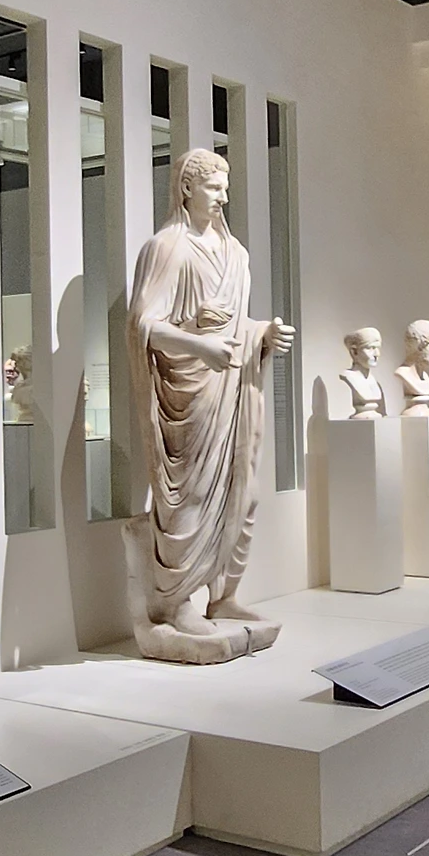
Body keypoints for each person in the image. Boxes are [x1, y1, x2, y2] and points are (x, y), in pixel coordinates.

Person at [126, 148, 294, 642]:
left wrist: (262, 334)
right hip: (189, 392)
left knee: (245, 493)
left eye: (226, 188)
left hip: (232, 385)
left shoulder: (236, 253)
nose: (223, 197)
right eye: (213, 187)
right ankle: (176, 603)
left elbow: (234, 324)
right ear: (186, 188)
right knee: (192, 496)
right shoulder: (166, 248)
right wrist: (198, 345)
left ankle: (224, 595)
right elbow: (143, 324)